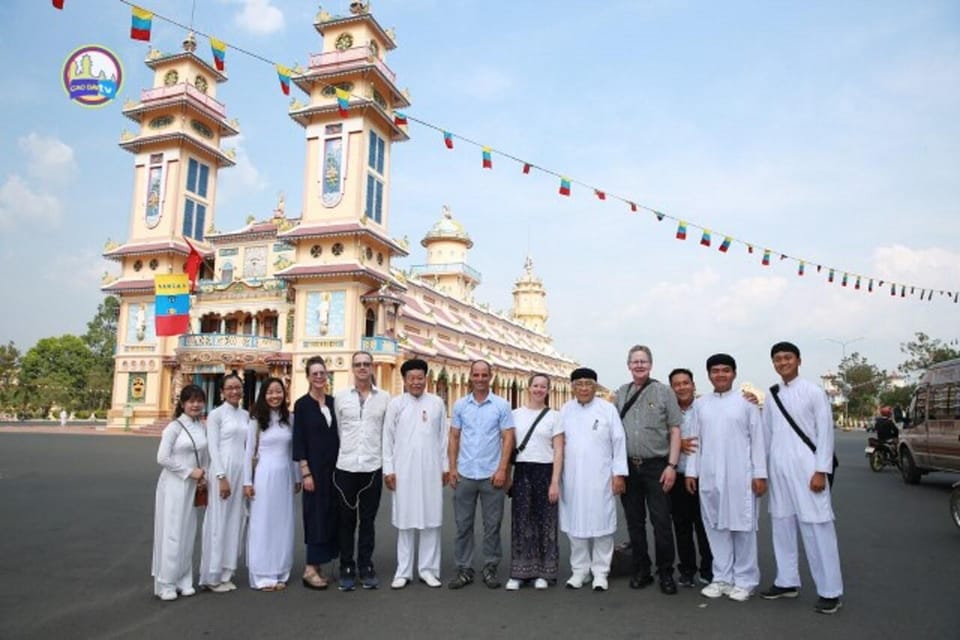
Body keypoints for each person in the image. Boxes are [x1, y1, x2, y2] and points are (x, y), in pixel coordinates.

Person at [760, 341, 844, 615]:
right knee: (782, 525)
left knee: (817, 528)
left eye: (787, 357)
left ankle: (830, 591)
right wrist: (763, 471)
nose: (782, 362)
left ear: (798, 360)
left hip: (809, 470)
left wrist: (821, 470)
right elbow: (767, 434)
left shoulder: (814, 392)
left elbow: (825, 434)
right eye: (777, 359)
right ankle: (786, 581)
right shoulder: (772, 395)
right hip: (779, 469)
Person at [685, 354, 766, 602]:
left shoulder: (747, 404)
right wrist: (691, 471)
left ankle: (745, 580)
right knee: (715, 527)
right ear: (708, 375)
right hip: (709, 475)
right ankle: (722, 577)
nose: (720, 375)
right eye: (715, 371)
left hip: (741, 476)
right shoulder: (701, 405)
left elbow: (758, 441)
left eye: (726, 370)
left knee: (743, 528)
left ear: (734, 374)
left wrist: (759, 474)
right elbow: (694, 442)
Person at [613, 345, 682, 594]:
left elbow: (675, 430)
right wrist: (617, 471)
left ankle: (665, 573)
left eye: (643, 361)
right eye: (635, 362)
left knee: (661, 521)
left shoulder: (664, 392)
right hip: (629, 466)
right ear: (629, 366)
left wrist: (672, 466)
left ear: (650, 365)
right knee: (634, 523)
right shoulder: (621, 393)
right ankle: (641, 569)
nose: (639, 365)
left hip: (657, 466)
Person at [559, 367, 628, 592]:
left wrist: (619, 475)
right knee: (575, 526)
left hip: (601, 477)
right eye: (579, 384)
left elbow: (619, 443)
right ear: (573, 387)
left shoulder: (607, 410)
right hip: (572, 478)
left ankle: (601, 572)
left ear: (595, 387)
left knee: (602, 526)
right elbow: (558, 445)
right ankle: (580, 571)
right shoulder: (565, 410)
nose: (584, 388)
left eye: (588, 383)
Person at [447, 360, 515, 589]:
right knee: (463, 525)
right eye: (476, 375)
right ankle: (464, 568)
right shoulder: (460, 405)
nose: (480, 379)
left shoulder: (501, 405)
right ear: (470, 377)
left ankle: (490, 566)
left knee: (492, 525)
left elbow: (508, 438)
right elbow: (454, 437)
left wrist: (503, 470)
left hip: (491, 474)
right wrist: (453, 468)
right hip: (465, 473)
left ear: (491, 377)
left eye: (484, 375)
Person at [382, 358, 449, 589]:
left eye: (420, 378)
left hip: (431, 470)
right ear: (404, 380)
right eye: (411, 378)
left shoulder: (437, 403)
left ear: (426, 379)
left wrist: (445, 467)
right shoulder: (395, 404)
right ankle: (403, 571)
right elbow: (387, 440)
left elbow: (444, 439)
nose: (416, 382)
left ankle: (428, 570)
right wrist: (388, 470)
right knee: (405, 521)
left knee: (431, 520)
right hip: (403, 471)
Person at [333, 351, 390, 590]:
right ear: (352, 368)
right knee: (346, 521)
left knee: (368, 521)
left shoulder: (385, 398)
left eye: (367, 364)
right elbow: (338, 429)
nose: (363, 368)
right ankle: (347, 565)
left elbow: (387, 434)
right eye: (358, 364)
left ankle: (365, 565)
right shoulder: (340, 397)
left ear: (372, 367)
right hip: (346, 466)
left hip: (372, 467)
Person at [506, 373, 564, 591]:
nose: (539, 390)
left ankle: (543, 572)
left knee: (545, 522)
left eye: (543, 386)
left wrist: (555, 482)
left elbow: (558, 450)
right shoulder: (515, 415)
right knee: (521, 521)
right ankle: (519, 572)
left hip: (545, 470)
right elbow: (509, 447)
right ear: (528, 388)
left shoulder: (554, 416)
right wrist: (507, 475)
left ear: (548, 390)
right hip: (522, 470)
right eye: (535, 386)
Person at [152, 384, 208, 601]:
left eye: (199, 400)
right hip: (174, 484)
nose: (195, 405)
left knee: (188, 531)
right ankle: (166, 582)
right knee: (172, 532)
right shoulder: (173, 428)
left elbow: (204, 455)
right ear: (182, 404)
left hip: (193, 484)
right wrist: (188, 472)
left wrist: (203, 475)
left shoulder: (201, 426)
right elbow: (162, 458)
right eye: (191, 401)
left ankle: (184, 579)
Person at [244, 378, 300, 591]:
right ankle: (262, 574)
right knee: (263, 523)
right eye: (270, 392)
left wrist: (296, 477)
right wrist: (247, 481)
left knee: (282, 523)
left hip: (284, 476)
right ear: (263, 395)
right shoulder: (256, 420)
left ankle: (279, 571)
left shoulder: (289, 419)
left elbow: (293, 452)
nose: (275, 396)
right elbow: (248, 452)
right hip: (264, 476)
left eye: (279, 392)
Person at [292, 356, 340, 590]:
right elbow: (299, 440)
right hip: (314, 470)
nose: (320, 377)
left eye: (323, 373)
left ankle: (320, 564)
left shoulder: (333, 402)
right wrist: (305, 472)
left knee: (330, 515)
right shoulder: (302, 405)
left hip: (333, 469)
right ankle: (310, 568)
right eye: (315, 373)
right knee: (314, 516)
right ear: (308, 377)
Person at [199, 374, 248, 592]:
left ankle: (227, 571)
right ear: (222, 391)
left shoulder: (246, 415)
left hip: (240, 469)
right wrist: (220, 476)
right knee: (218, 522)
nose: (234, 391)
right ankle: (211, 575)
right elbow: (213, 448)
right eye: (229, 388)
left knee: (235, 520)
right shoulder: (216, 415)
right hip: (223, 471)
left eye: (237, 387)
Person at [668, 368, 713, 588]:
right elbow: (657, 436)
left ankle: (710, 569)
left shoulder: (706, 407)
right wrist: (677, 444)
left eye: (686, 383)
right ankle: (686, 569)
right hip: (677, 475)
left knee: (705, 524)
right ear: (672, 388)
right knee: (681, 525)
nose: (682, 387)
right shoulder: (667, 411)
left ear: (693, 385)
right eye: (677, 384)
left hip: (703, 475)